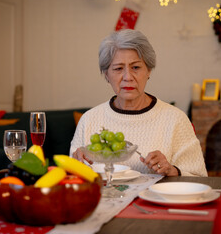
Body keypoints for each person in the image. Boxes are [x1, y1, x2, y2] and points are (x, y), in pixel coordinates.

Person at [70, 29, 207, 177]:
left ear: (148, 71)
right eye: (118, 68)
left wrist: (172, 170)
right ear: (106, 75)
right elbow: (73, 180)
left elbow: (200, 178)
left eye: (136, 67)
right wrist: (75, 167)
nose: (128, 77)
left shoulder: (175, 119)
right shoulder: (89, 119)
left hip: (156, 200)